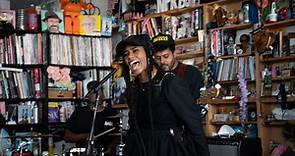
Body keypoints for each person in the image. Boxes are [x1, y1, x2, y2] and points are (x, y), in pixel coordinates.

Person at [115, 34, 209, 156]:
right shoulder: (134, 88)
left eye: (135, 50)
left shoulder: (169, 83)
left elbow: (194, 126)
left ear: (148, 54)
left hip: (168, 149)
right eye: (126, 54)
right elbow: (133, 126)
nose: (130, 56)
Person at [64, 80, 117, 155]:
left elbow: (120, 135)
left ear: (103, 93)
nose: (97, 94)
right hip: (84, 152)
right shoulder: (80, 112)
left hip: (106, 152)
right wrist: (84, 136)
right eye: (93, 92)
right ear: (88, 95)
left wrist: (112, 146)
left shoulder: (111, 112)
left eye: (99, 91)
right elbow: (67, 136)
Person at [151, 33, 204, 99]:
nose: (162, 61)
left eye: (166, 56)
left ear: (174, 53)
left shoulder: (192, 73)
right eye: (158, 58)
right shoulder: (155, 79)